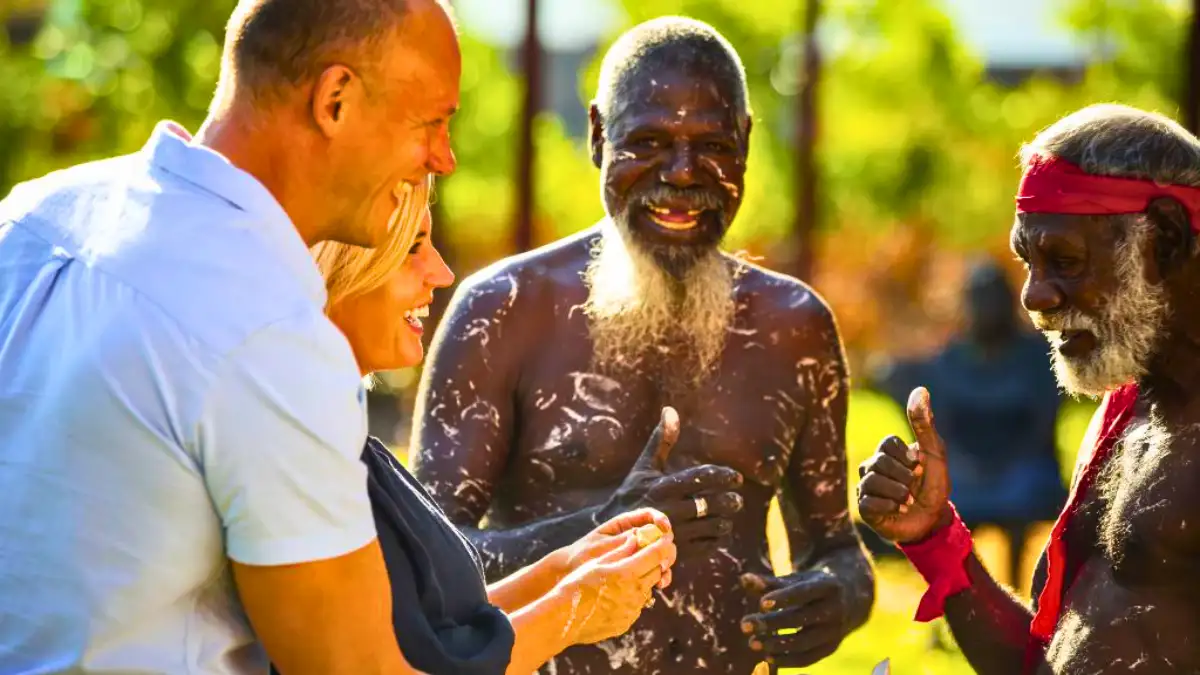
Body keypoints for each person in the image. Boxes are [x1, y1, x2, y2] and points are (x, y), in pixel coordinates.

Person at [0, 1, 460, 672]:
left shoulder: (35, 212)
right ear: (335, 100)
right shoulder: (270, 330)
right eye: (432, 122)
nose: (442, 159)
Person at [412, 17, 874, 674]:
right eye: (650, 142)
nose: (683, 174)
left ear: (745, 142)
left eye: (712, 145)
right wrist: (603, 526)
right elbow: (427, 563)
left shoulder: (793, 326)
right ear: (599, 137)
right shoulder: (506, 311)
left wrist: (835, 597)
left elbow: (837, 547)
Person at [857, 103, 1200, 675]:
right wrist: (936, 536)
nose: (1033, 297)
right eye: (1028, 262)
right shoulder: (1130, 410)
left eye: (1063, 260)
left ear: (1162, 239)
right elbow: (1047, 663)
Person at [308, 179, 678, 675]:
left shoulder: (347, 439)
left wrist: (564, 567)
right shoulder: (305, 454)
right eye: (413, 246)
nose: (440, 272)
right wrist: (572, 609)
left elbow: (436, 633)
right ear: (340, 263)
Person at [867, 258, 1066, 586]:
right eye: (979, 297)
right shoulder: (950, 360)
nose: (987, 306)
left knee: (1026, 489)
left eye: (994, 296)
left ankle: (1015, 591)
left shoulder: (1036, 358)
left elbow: (1041, 426)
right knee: (942, 491)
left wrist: (1002, 463)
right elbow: (938, 422)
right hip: (966, 470)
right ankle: (951, 591)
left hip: (1022, 468)